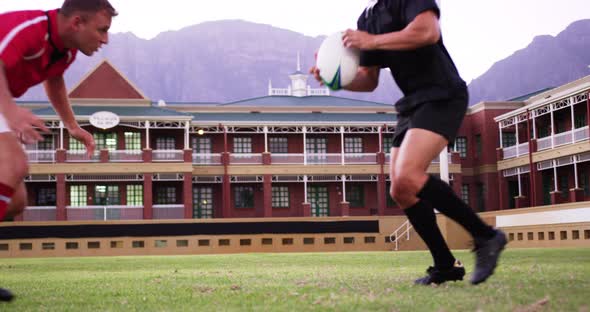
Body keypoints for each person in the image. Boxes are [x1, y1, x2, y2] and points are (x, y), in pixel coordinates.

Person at [311, 0, 506, 285]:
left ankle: (487, 236)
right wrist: (334, 80)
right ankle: (445, 264)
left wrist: (372, 41)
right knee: (401, 189)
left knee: (409, 176)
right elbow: (368, 80)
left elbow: (427, 31)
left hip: (442, 95)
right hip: (411, 104)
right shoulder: (368, 17)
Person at [0, 0, 117, 301]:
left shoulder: (65, 51)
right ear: (77, 22)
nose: (105, 39)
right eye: (102, 30)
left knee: (15, 201)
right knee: (13, 165)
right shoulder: (28, 29)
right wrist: (12, 113)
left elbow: (54, 80)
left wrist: (72, 126)